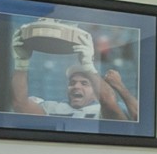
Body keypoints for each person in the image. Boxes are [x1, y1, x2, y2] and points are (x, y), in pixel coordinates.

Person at [9, 24, 137, 120]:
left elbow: (108, 101)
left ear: (95, 92)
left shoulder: (102, 109)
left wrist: (88, 65)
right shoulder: (52, 108)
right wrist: (21, 63)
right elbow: (20, 104)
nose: (76, 86)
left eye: (84, 83)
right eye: (72, 82)